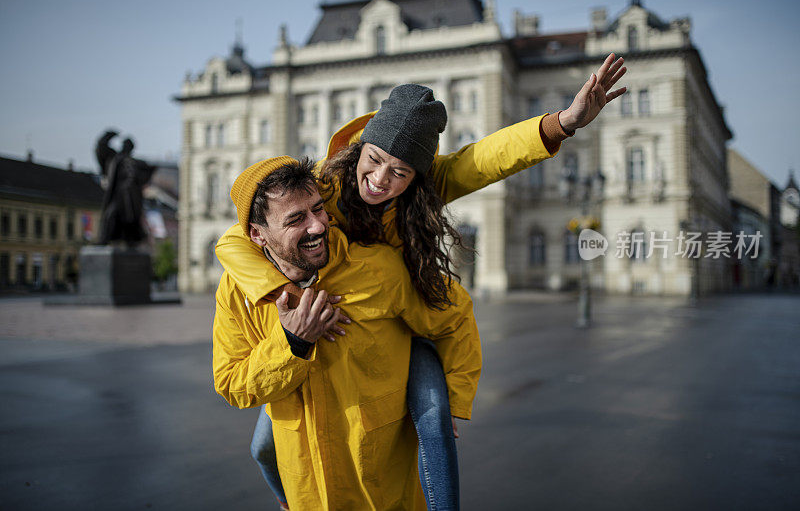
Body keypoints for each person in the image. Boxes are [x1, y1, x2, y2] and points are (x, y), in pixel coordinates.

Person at [216, 53, 627, 509]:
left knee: (433, 418)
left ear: (416, 176)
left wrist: (563, 123)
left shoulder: (421, 192)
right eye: (373, 161)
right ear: (360, 147)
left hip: (405, 319)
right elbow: (236, 240)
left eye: (399, 173)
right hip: (322, 328)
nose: (379, 180)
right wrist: (284, 292)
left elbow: (484, 160)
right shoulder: (320, 187)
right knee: (265, 448)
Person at [212, 157, 481, 510]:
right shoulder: (236, 291)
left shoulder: (377, 268)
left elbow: (454, 316)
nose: (317, 226)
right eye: (296, 219)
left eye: (318, 210)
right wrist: (293, 343)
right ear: (257, 235)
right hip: (307, 490)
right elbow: (232, 384)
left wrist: (452, 402)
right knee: (262, 449)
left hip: (382, 491)